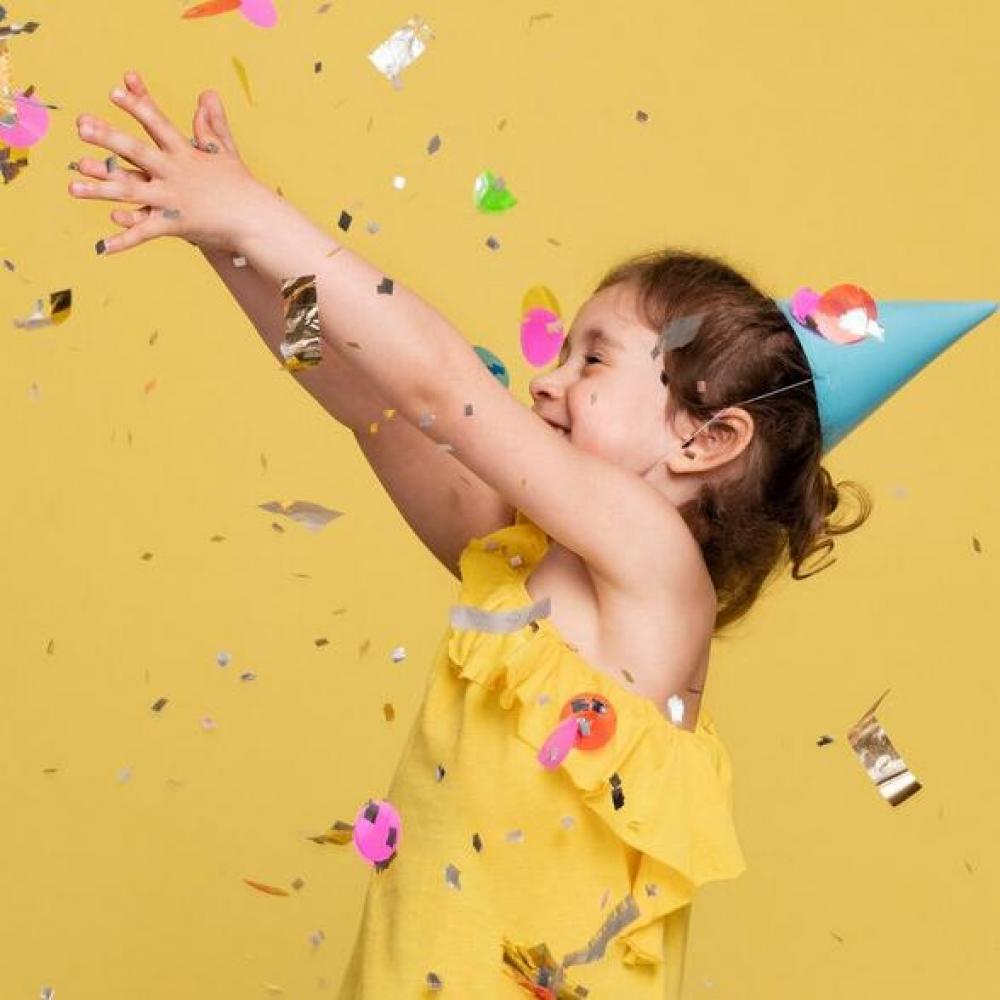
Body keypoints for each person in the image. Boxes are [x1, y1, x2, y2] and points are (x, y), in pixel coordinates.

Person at [67, 72, 997, 999]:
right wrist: (225, 246)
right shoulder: (521, 568)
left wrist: (260, 216)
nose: (547, 380)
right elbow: (369, 405)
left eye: (591, 359)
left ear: (707, 440)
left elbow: (437, 385)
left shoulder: (657, 566)